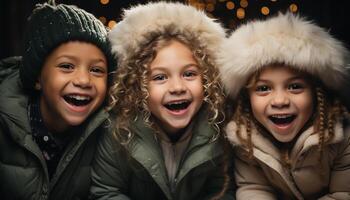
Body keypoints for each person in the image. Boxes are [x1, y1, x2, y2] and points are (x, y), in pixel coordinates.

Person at [90, 2, 234, 200]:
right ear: (136, 87)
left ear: (207, 78)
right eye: (160, 77)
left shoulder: (217, 129)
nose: (177, 87)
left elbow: (223, 190)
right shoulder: (118, 132)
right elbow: (105, 191)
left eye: (189, 74)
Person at [218, 12, 350, 199]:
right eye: (263, 88)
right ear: (247, 98)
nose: (280, 101)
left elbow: (343, 194)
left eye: (295, 87)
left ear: (317, 93)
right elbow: (253, 188)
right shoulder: (244, 138)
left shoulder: (342, 137)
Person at [0, 0, 116, 199]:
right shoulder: (5, 126)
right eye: (66, 66)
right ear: (38, 78)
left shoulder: (110, 134)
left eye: (96, 70)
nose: (83, 80)